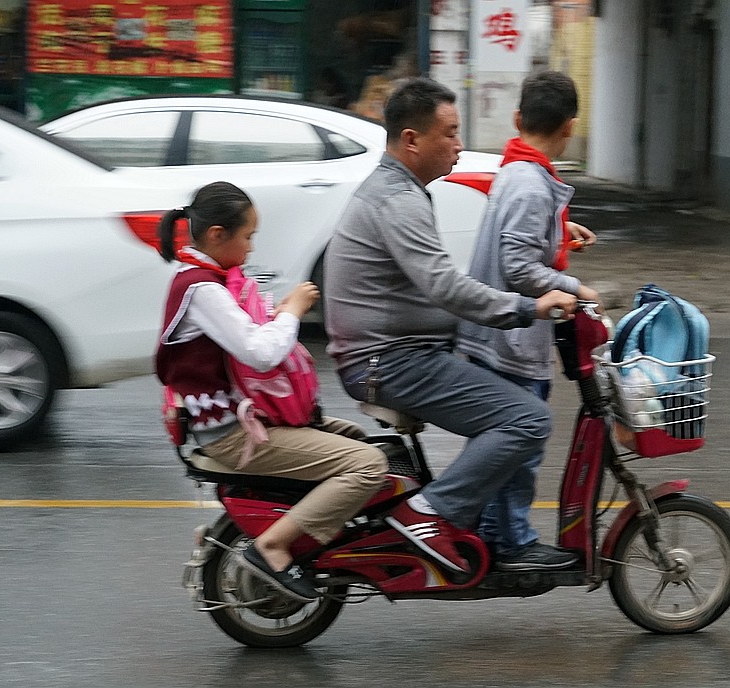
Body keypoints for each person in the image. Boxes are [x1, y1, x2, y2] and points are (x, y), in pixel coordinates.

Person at [324, 78, 578, 574]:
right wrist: (531, 308)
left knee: (512, 406)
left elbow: (440, 276)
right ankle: (430, 513)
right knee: (528, 419)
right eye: (450, 133)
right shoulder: (397, 200)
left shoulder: (401, 190)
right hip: (390, 362)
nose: (460, 146)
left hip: (401, 353)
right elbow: (446, 286)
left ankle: (493, 533)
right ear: (412, 140)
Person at [155, 181, 387, 601]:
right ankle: (273, 546)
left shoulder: (207, 279)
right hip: (232, 435)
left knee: (356, 438)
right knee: (368, 465)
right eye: (247, 237)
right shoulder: (202, 288)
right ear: (216, 235)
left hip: (243, 420)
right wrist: (293, 312)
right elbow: (260, 353)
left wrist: (278, 315)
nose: (251, 248)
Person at [456, 70, 599, 569]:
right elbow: (517, 264)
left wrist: (561, 235)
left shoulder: (518, 169)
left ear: (518, 118)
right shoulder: (531, 184)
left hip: (499, 336)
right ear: (570, 128)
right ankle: (510, 541)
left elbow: (520, 241)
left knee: (505, 445)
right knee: (522, 443)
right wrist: (576, 290)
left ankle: (494, 532)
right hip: (510, 342)